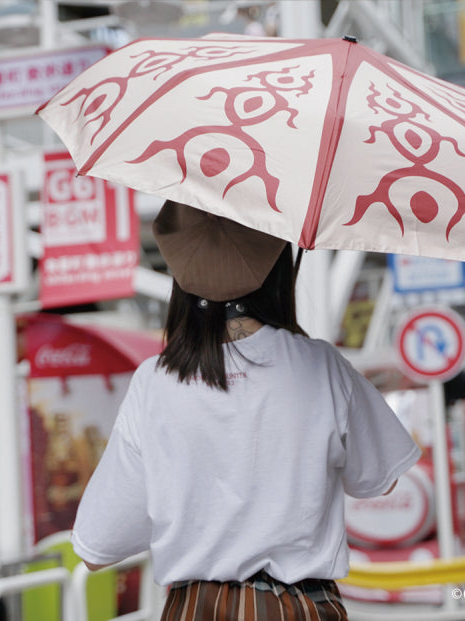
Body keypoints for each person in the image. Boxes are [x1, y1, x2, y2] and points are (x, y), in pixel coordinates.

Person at [71, 201, 422, 620]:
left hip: (194, 610)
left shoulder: (154, 383)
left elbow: (98, 545)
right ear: (278, 267)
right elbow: (378, 480)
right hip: (301, 608)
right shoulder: (320, 367)